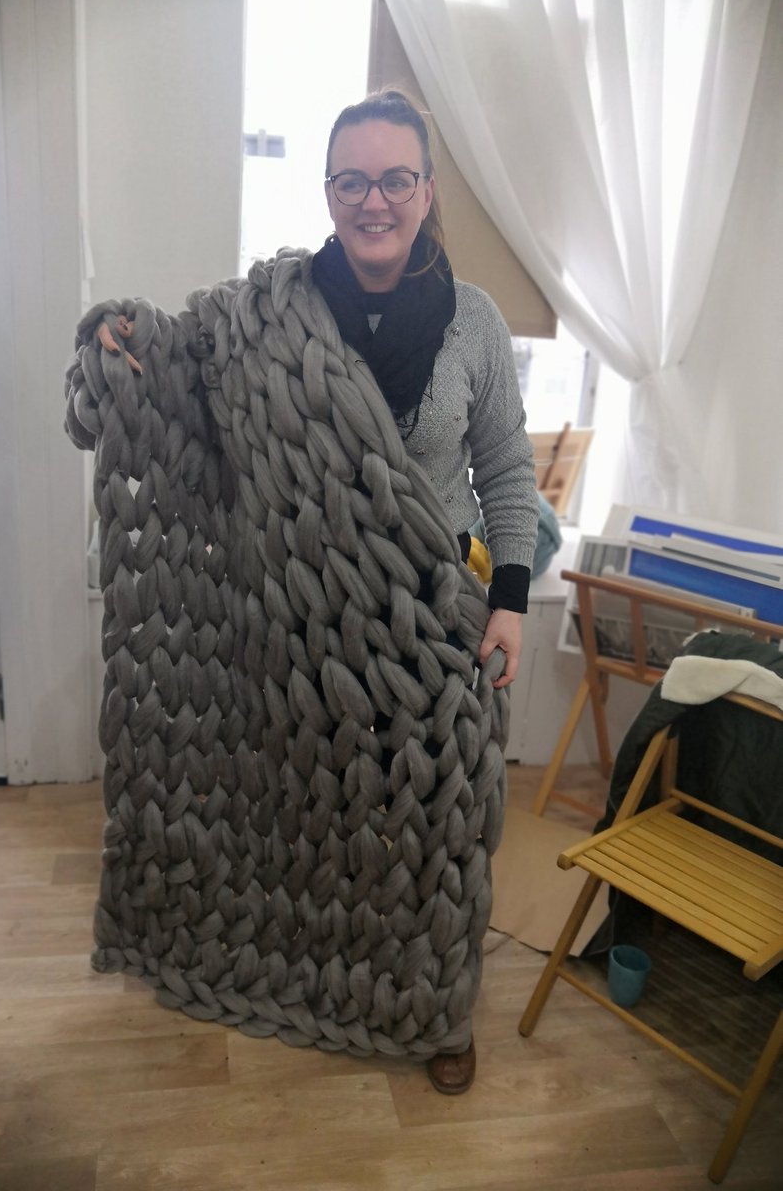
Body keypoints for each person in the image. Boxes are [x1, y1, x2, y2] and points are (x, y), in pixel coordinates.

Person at [311, 89, 539, 1093]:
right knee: (333, 807)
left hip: (443, 614)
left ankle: (443, 1003)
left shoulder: (473, 320)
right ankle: (344, 975)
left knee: (445, 818)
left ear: (427, 189)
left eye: (395, 178)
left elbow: (507, 470)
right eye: (352, 180)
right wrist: (127, 339)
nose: (374, 200)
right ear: (329, 191)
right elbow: (197, 372)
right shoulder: (285, 310)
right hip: (320, 612)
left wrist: (512, 601)